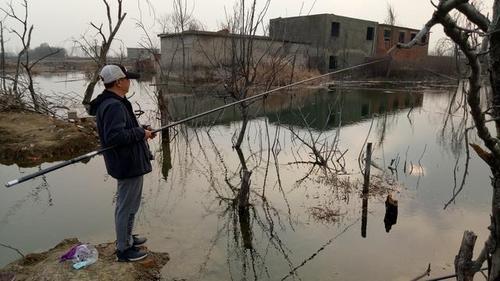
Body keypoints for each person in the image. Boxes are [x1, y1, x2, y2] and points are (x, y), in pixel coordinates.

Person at [89, 64, 156, 262]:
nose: (129, 81)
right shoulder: (114, 105)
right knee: (126, 206)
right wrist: (140, 133)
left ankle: (127, 237)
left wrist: (141, 130)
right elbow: (114, 137)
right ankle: (124, 250)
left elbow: (123, 130)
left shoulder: (114, 101)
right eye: (127, 78)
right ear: (118, 82)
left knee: (129, 204)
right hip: (127, 164)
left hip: (127, 161)